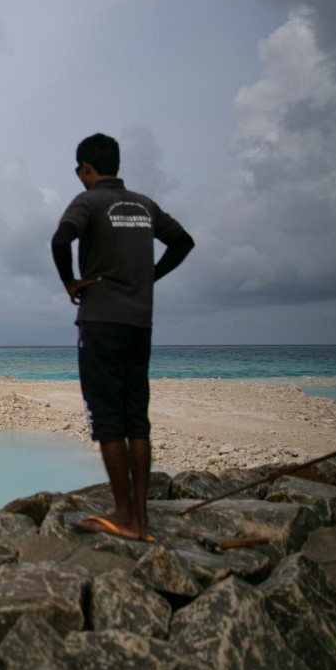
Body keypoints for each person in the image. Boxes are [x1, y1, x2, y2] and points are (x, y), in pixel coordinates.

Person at [50, 133, 194, 542]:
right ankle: (140, 519)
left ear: (87, 169)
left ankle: (125, 514)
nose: (80, 177)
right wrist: (150, 276)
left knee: (108, 420)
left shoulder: (89, 201)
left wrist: (70, 283)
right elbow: (183, 242)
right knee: (136, 420)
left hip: (100, 322)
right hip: (139, 323)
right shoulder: (143, 204)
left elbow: (61, 239)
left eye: (80, 171)